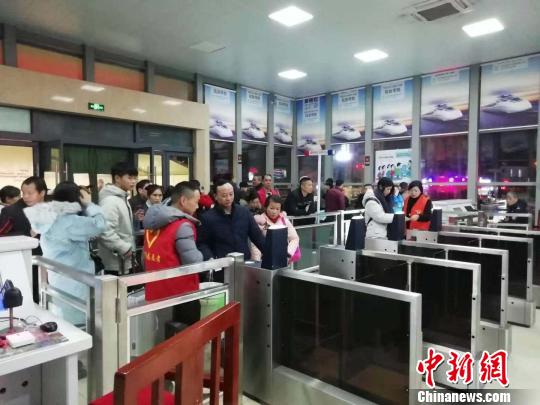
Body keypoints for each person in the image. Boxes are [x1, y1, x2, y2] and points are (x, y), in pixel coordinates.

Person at [23, 182, 106, 323]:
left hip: (57, 275)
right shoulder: (70, 221)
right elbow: (100, 225)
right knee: (77, 319)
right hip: (75, 277)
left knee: (61, 314)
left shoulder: (47, 217)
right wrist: (88, 203)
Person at [143, 182, 203, 325]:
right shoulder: (182, 225)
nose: (198, 206)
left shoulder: (151, 224)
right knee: (187, 338)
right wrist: (202, 255)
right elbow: (194, 261)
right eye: (196, 202)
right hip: (181, 295)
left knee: (161, 338)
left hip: (154, 290)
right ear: (183, 201)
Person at [197, 179, 265, 281]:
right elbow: (202, 243)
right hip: (221, 267)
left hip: (244, 264)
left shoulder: (244, 212)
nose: (228, 198)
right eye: (224, 195)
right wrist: (209, 258)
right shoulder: (207, 217)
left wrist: (272, 252)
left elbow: (257, 237)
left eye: (231, 194)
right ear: (215, 196)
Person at [0, 177, 47, 303]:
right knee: (28, 300)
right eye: (23, 193)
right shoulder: (11, 211)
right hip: (24, 264)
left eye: (30, 193)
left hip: (49, 263)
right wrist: (27, 236)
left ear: (42, 193)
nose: (25, 196)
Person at [98, 162, 138, 274]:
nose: (133, 181)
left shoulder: (122, 198)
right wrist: (124, 248)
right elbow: (104, 231)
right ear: (117, 178)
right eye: (129, 178)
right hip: (115, 262)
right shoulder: (110, 201)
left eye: (135, 178)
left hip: (123, 260)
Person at [251, 195, 300, 264]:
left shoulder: (284, 220)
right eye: (271, 208)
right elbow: (255, 243)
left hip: (283, 259)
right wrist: (257, 261)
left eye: (277, 209)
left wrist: (288, 254)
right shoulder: (260, 221)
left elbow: (294, 238)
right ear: (266, 207)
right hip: (265, 260)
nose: (274, 212)